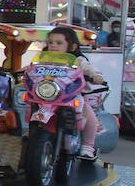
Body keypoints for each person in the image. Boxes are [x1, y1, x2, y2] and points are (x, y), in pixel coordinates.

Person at [42, 26, 105, 159]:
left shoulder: (78, 60)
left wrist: (95, 75)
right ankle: (33, 131)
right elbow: (31, 68)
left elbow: (88, 68)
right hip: (47, 96)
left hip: (70, 96)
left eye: (59, 43)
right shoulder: (43, 59)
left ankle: (88, 146)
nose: (53, 46)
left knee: (88, 114)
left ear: (72, 47)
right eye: (50, 42)